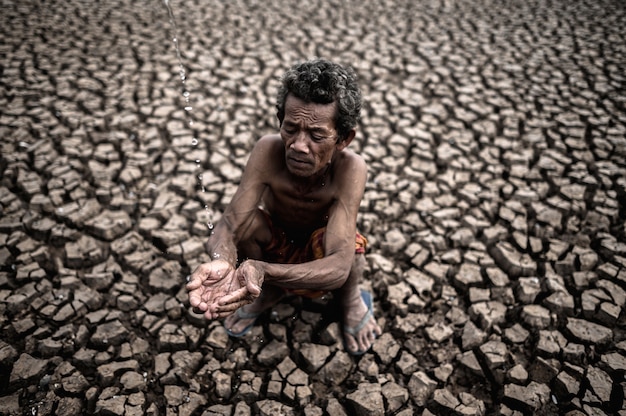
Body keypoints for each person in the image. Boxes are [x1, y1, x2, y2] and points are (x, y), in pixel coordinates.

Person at [186, 58, 382, 355]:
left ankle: (351, 300)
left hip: (320, 255)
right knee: (250, 223)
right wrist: (224, 261)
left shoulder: (350, 168)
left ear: (343, 139)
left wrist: (263, 270)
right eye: (291, 128)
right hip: (278, 243)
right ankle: (268, 291)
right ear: (281, 122)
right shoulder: (268, 149)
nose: (299, 145)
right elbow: (229, 225)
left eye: (316, 135)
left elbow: (339, 266)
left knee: (352, 248)